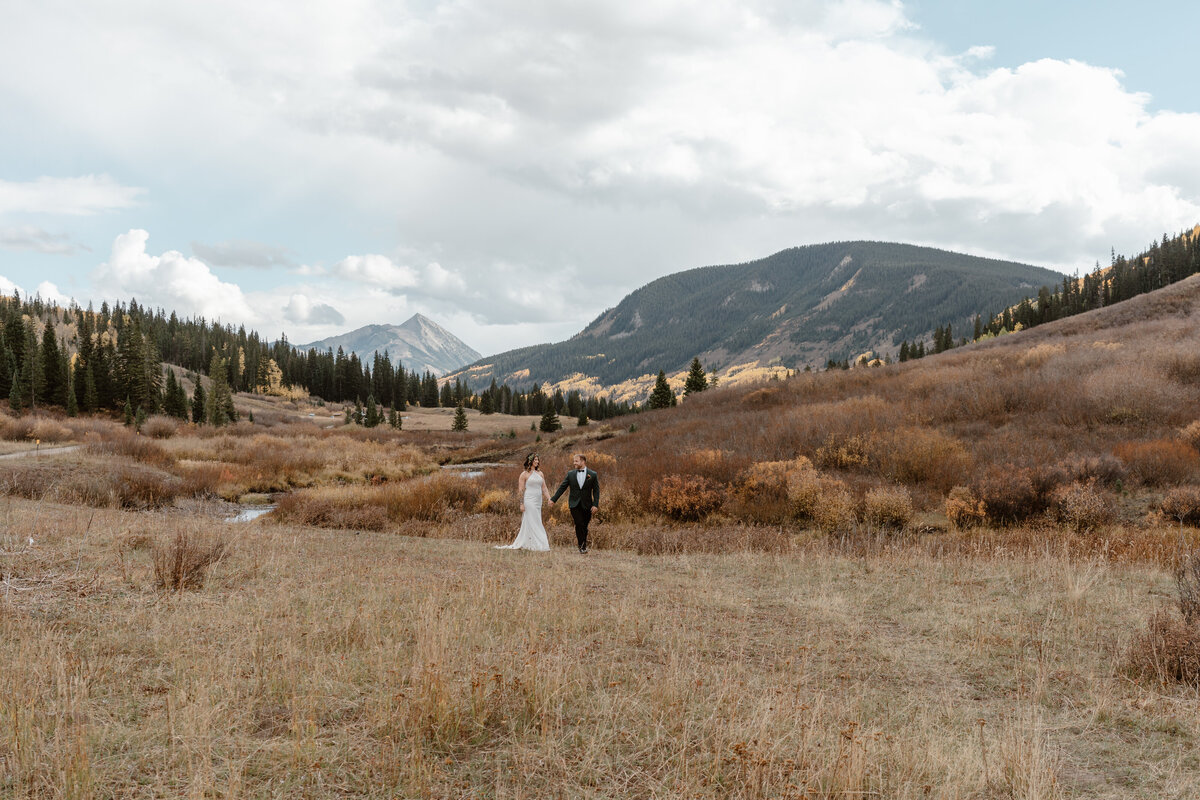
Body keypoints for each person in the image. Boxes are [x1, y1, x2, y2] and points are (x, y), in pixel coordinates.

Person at [495, 453, 552, 551]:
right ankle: (539, 544)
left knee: (536, 520)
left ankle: (531, 543)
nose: (537, 462)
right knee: (534, 521)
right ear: (530, 461)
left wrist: (549, 498)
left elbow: (544, 488)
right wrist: (521, 503)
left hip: (538, 501)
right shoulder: (524, 474)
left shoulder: (540, 473)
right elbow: (520, 491)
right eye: (535, 460)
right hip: (529, 500)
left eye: (538, 460)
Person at [551, 453, 599, 553]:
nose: (574, 463)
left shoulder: (593, 475)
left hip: (587, 505)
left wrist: (595, 504)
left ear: (583, 462)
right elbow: (562, 487)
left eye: (576, 461)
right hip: (574, 504)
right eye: (574, 461)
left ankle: (583, 545)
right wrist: (553, 499)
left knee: (584, 526)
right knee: (579, 523)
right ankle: (581, 547)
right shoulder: (570, 474)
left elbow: (596, 491)